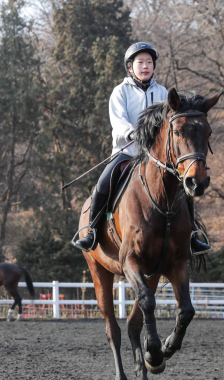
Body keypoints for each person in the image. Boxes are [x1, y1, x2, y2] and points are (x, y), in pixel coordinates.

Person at [73, 42, 211, 255]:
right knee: (103, 183)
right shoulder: (120, 92)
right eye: (140, 62)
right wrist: (131, 133)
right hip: (127, 152)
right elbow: (118, 121)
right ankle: (91, 230)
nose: (145, 66)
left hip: (156, 157)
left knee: (183, 188)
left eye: (149, 62)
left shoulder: (163, 92)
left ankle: (192, 234)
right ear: (130, 67)